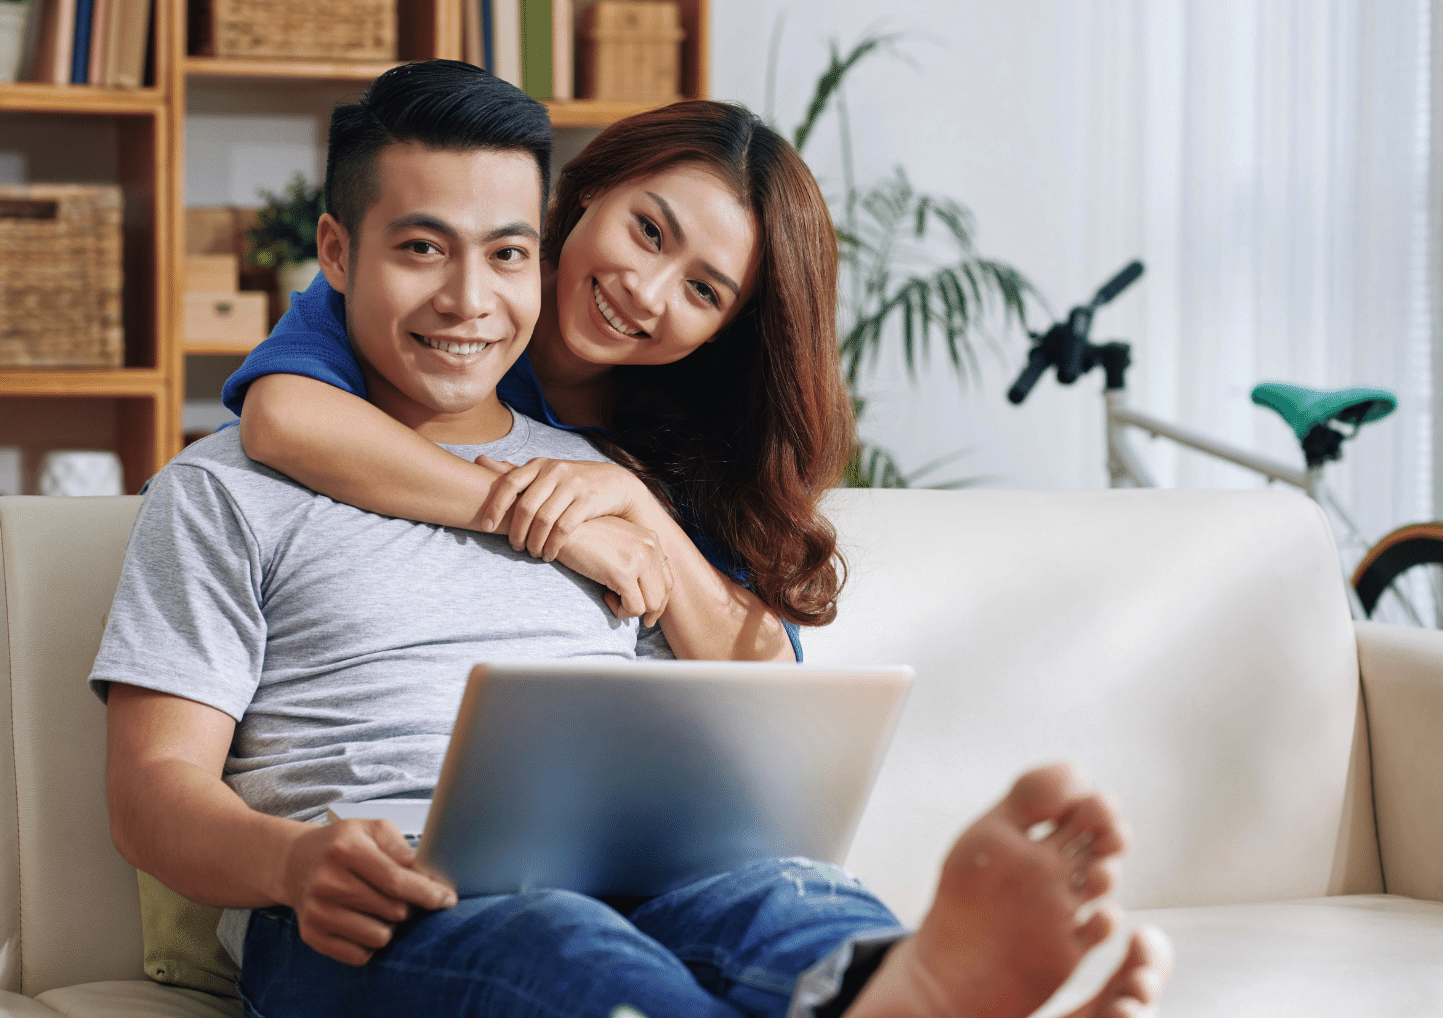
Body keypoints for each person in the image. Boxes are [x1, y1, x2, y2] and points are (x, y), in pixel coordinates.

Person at [95, 61, 1171, 1017]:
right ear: (337, 253)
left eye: (503, 253)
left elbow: (756, 704)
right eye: (422, 249)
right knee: (560, 944)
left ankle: (891, 987)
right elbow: (152, 794)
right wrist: (290, 861)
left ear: (537, 247)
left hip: (636, 874)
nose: (468, 299)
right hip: (379, 902)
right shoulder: (237, 479)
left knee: (788, 903)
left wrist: (630, 507)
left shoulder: (620, 480)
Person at [224, 81, 857, 666]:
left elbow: (766, 672)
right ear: (592, 188)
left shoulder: (701, 435)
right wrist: (553, 523)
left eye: (702, 291)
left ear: (726, 329)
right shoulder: (443, 298)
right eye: (648, 231)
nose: (646, 291)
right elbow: (282, 418)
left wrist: (636, 504)